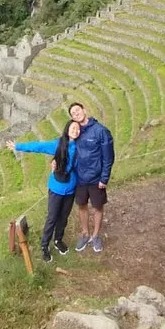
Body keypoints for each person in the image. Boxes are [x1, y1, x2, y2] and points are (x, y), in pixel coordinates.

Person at [6, 120, 80, 263]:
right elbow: (39, 146)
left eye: (77, 129)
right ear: (67, 130)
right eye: (73, 128)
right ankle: (44, 246)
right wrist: (18, 146)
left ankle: (58, 240)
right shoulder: (58, 144)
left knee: (63, 217)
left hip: (70, 189)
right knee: (52, 218)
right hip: (56, 189)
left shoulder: (79, 147)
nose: (75, 131)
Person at [68, 102, 115, 253]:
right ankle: (85, 233)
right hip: (80, 178)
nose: (76, 114)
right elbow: (63, 147)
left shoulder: (100, 131)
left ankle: (95, 236)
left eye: (78, 111)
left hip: (96, 179)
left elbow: (108, 157)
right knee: (82, 206)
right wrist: (55, 161)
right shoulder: (75, 131)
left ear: (84, 110)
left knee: (98, 207)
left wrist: (104, 178)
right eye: (73, 114)